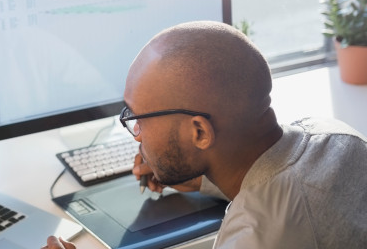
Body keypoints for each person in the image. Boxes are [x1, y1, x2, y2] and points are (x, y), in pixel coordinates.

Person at [43, 21, 367, 249]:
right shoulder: (338, 135)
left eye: (139, 118)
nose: (136, 134)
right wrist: (204, 180)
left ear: (199, 131)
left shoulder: (257, 236)